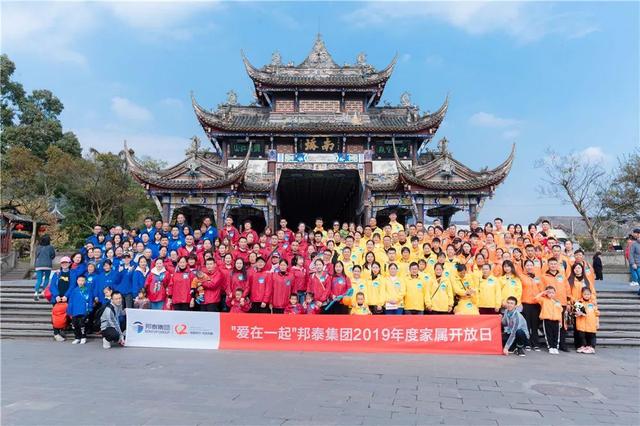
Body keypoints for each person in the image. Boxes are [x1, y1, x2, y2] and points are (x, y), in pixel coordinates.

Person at [49, 256, 73, 341]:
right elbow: (52, 285)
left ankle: (63, 330)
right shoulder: (57, 273)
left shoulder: (72, 273)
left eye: (66, 262)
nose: (64, 264)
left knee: (67, 315)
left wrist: (66, 295)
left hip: (68, 298)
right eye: (63, 263)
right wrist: (56, 295)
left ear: (70, 263)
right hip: (57, 298)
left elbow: (73, 285)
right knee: (56, 316)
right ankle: (56, 333)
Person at [535, 286, 563, 354]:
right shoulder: (543, 300)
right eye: (549, 292)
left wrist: (560, 321)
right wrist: (543, 293)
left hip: (556, 320)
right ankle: (550, 347)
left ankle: (555, 347)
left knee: (556, 335)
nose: (551, 294)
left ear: (555, 293)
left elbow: (560, 311)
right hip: (547, 320)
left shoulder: (557, 302)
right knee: (548, 334)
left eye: (552, 292)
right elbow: (536, 298)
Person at [66, 275, 92, 344]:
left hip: (83, 310)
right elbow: (70, 301)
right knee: (74, 325)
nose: (81, 282)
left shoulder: (87, 290)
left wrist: (89, 308)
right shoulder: (74, 290)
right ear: (77, 281)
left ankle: (83, 337)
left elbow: (90, 300)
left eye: (82, 280)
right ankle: (77, 337)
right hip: (75, 311)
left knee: (82, 325)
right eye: (79, 280)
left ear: (85, 281)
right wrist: (69, 311)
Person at [574, 287, 599, 354]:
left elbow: (597, 313)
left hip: (591, 323)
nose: (586, 296)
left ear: (590, 294)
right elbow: (576, 313)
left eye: (588, 294)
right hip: (581, 323)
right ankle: (583, 346)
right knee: (581, 335)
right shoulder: (579, 302)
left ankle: (591, 347)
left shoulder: (593, 303)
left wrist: (597, 322)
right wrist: (578, 313)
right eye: (585, 294)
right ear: (582, 294)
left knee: (592, 335)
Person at [34, 235, 56, 301]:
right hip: (47, 264)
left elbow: (36, 255)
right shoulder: (50, 247)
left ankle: (36, 293)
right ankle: (43, 292)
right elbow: (53, 255)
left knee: (39, 280)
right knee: (46, 278)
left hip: (38, 264)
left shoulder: (38, 247)